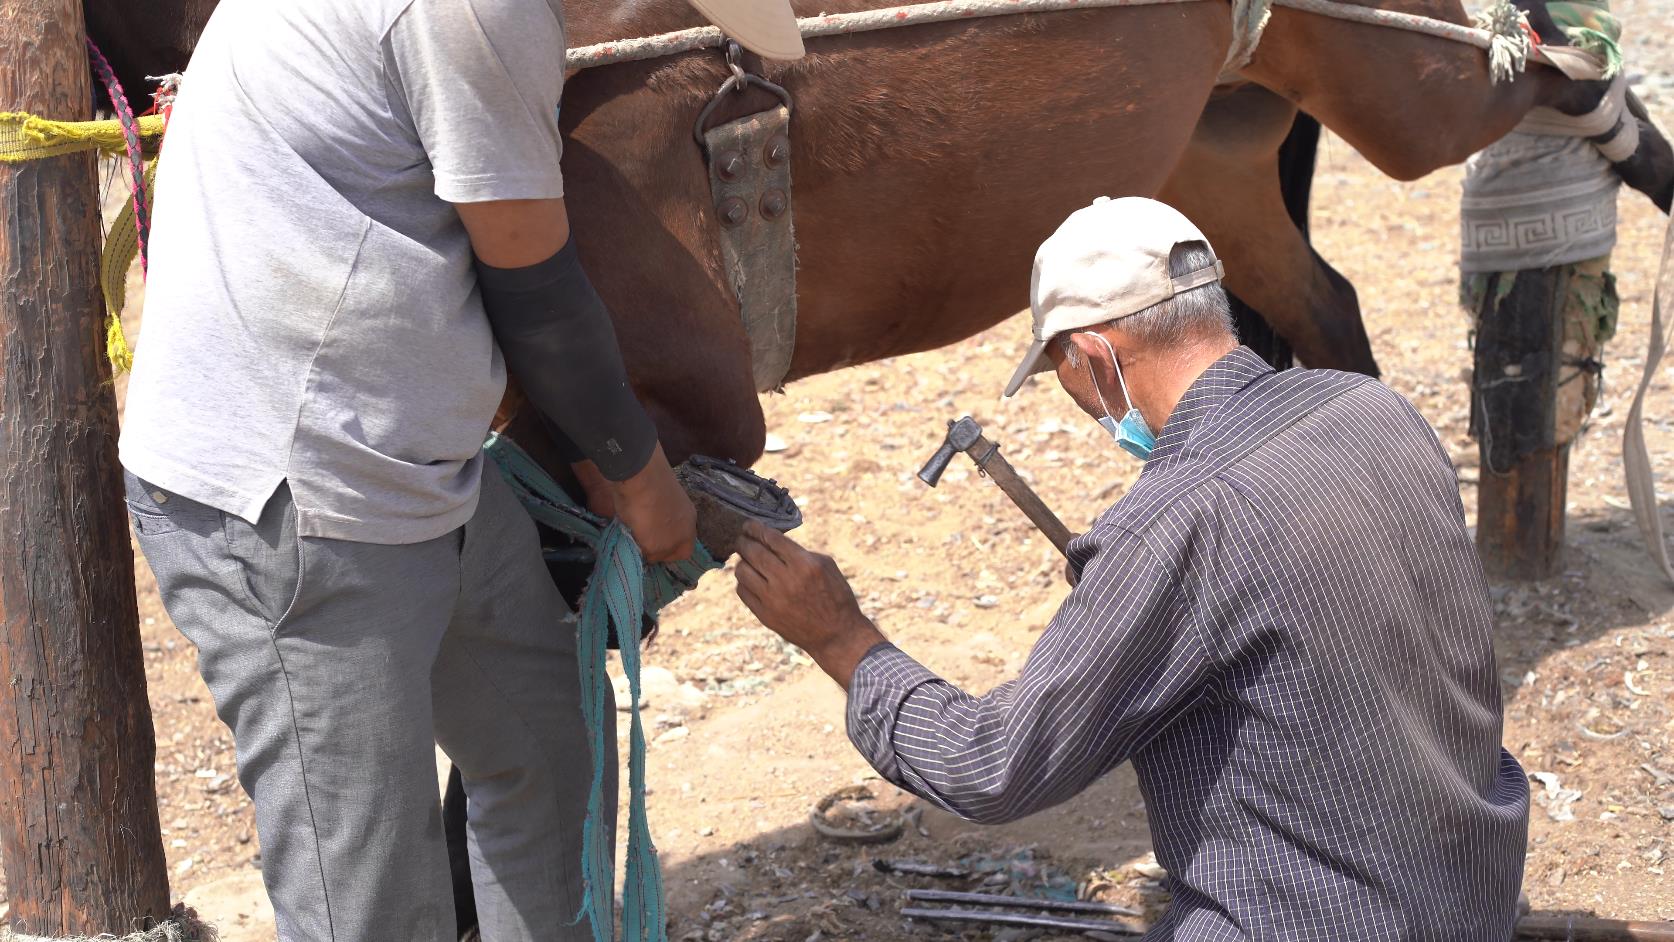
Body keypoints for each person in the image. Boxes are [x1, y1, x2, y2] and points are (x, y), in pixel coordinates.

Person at [117, 0, 804, 939]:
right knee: (370, 902)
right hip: (298, 500)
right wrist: (642, 483)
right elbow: (537, 288)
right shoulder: (476, 9)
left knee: (549, 748)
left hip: (413, 468)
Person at [734, 196, 1532, 940]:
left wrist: (842, 638)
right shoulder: (1372, 408)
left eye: (1062, 375)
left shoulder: (1173, 526)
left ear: (1094, 356)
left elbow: (994, 768)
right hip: (1474, 895)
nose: (1077, 399)